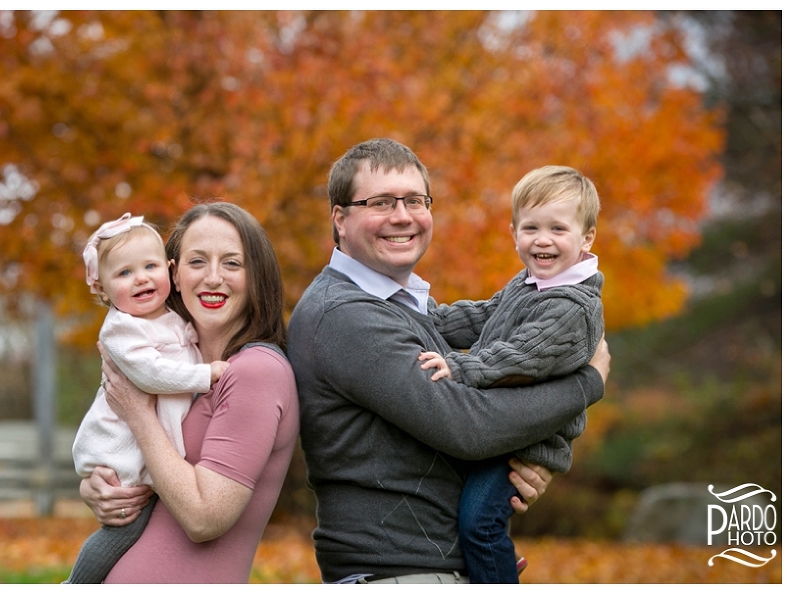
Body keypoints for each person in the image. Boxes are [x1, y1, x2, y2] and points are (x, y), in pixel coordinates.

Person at [286, 138, 610, 584]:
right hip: (399, 573)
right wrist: (588, 383)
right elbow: (469, 427)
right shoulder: (346, 315)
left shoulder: (399, 304)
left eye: (415, 200)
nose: (402, 215)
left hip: (430, 566)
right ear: (340, 219)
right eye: (380, 202)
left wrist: (519, 470)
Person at [77, 202, 299, 583]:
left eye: (232, 263)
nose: (213, 277)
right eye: (198, 262)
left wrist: (138, 413)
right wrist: (97, 484)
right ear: (175, 275)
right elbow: (140, 453)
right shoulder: (177, 359)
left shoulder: (254, 371)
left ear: (256, 277)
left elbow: (204, 517)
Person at [418, 165, 604, 583]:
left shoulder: (572, 306)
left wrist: (458, 366)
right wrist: (430, 319)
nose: (542, 240)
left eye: (558, 228)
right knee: (457, 515)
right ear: (513, 232)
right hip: (499, 430)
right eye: (530, 228)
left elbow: (522, 358)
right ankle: (494, 564)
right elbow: (486, 315)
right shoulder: (530, 283)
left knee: (479, 526)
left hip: (524, 447)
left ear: (586, 237)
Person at [67, 212, 231, 583]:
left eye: (150, 266)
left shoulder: (171, 314)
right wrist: (205, 374)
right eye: (124, 273)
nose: (140, 278)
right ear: (103, 291)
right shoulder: (122, 329)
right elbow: (151, 374)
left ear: (170, 272)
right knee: (124, 527)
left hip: (149, 445)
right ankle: (75, 583)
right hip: (121, 449)